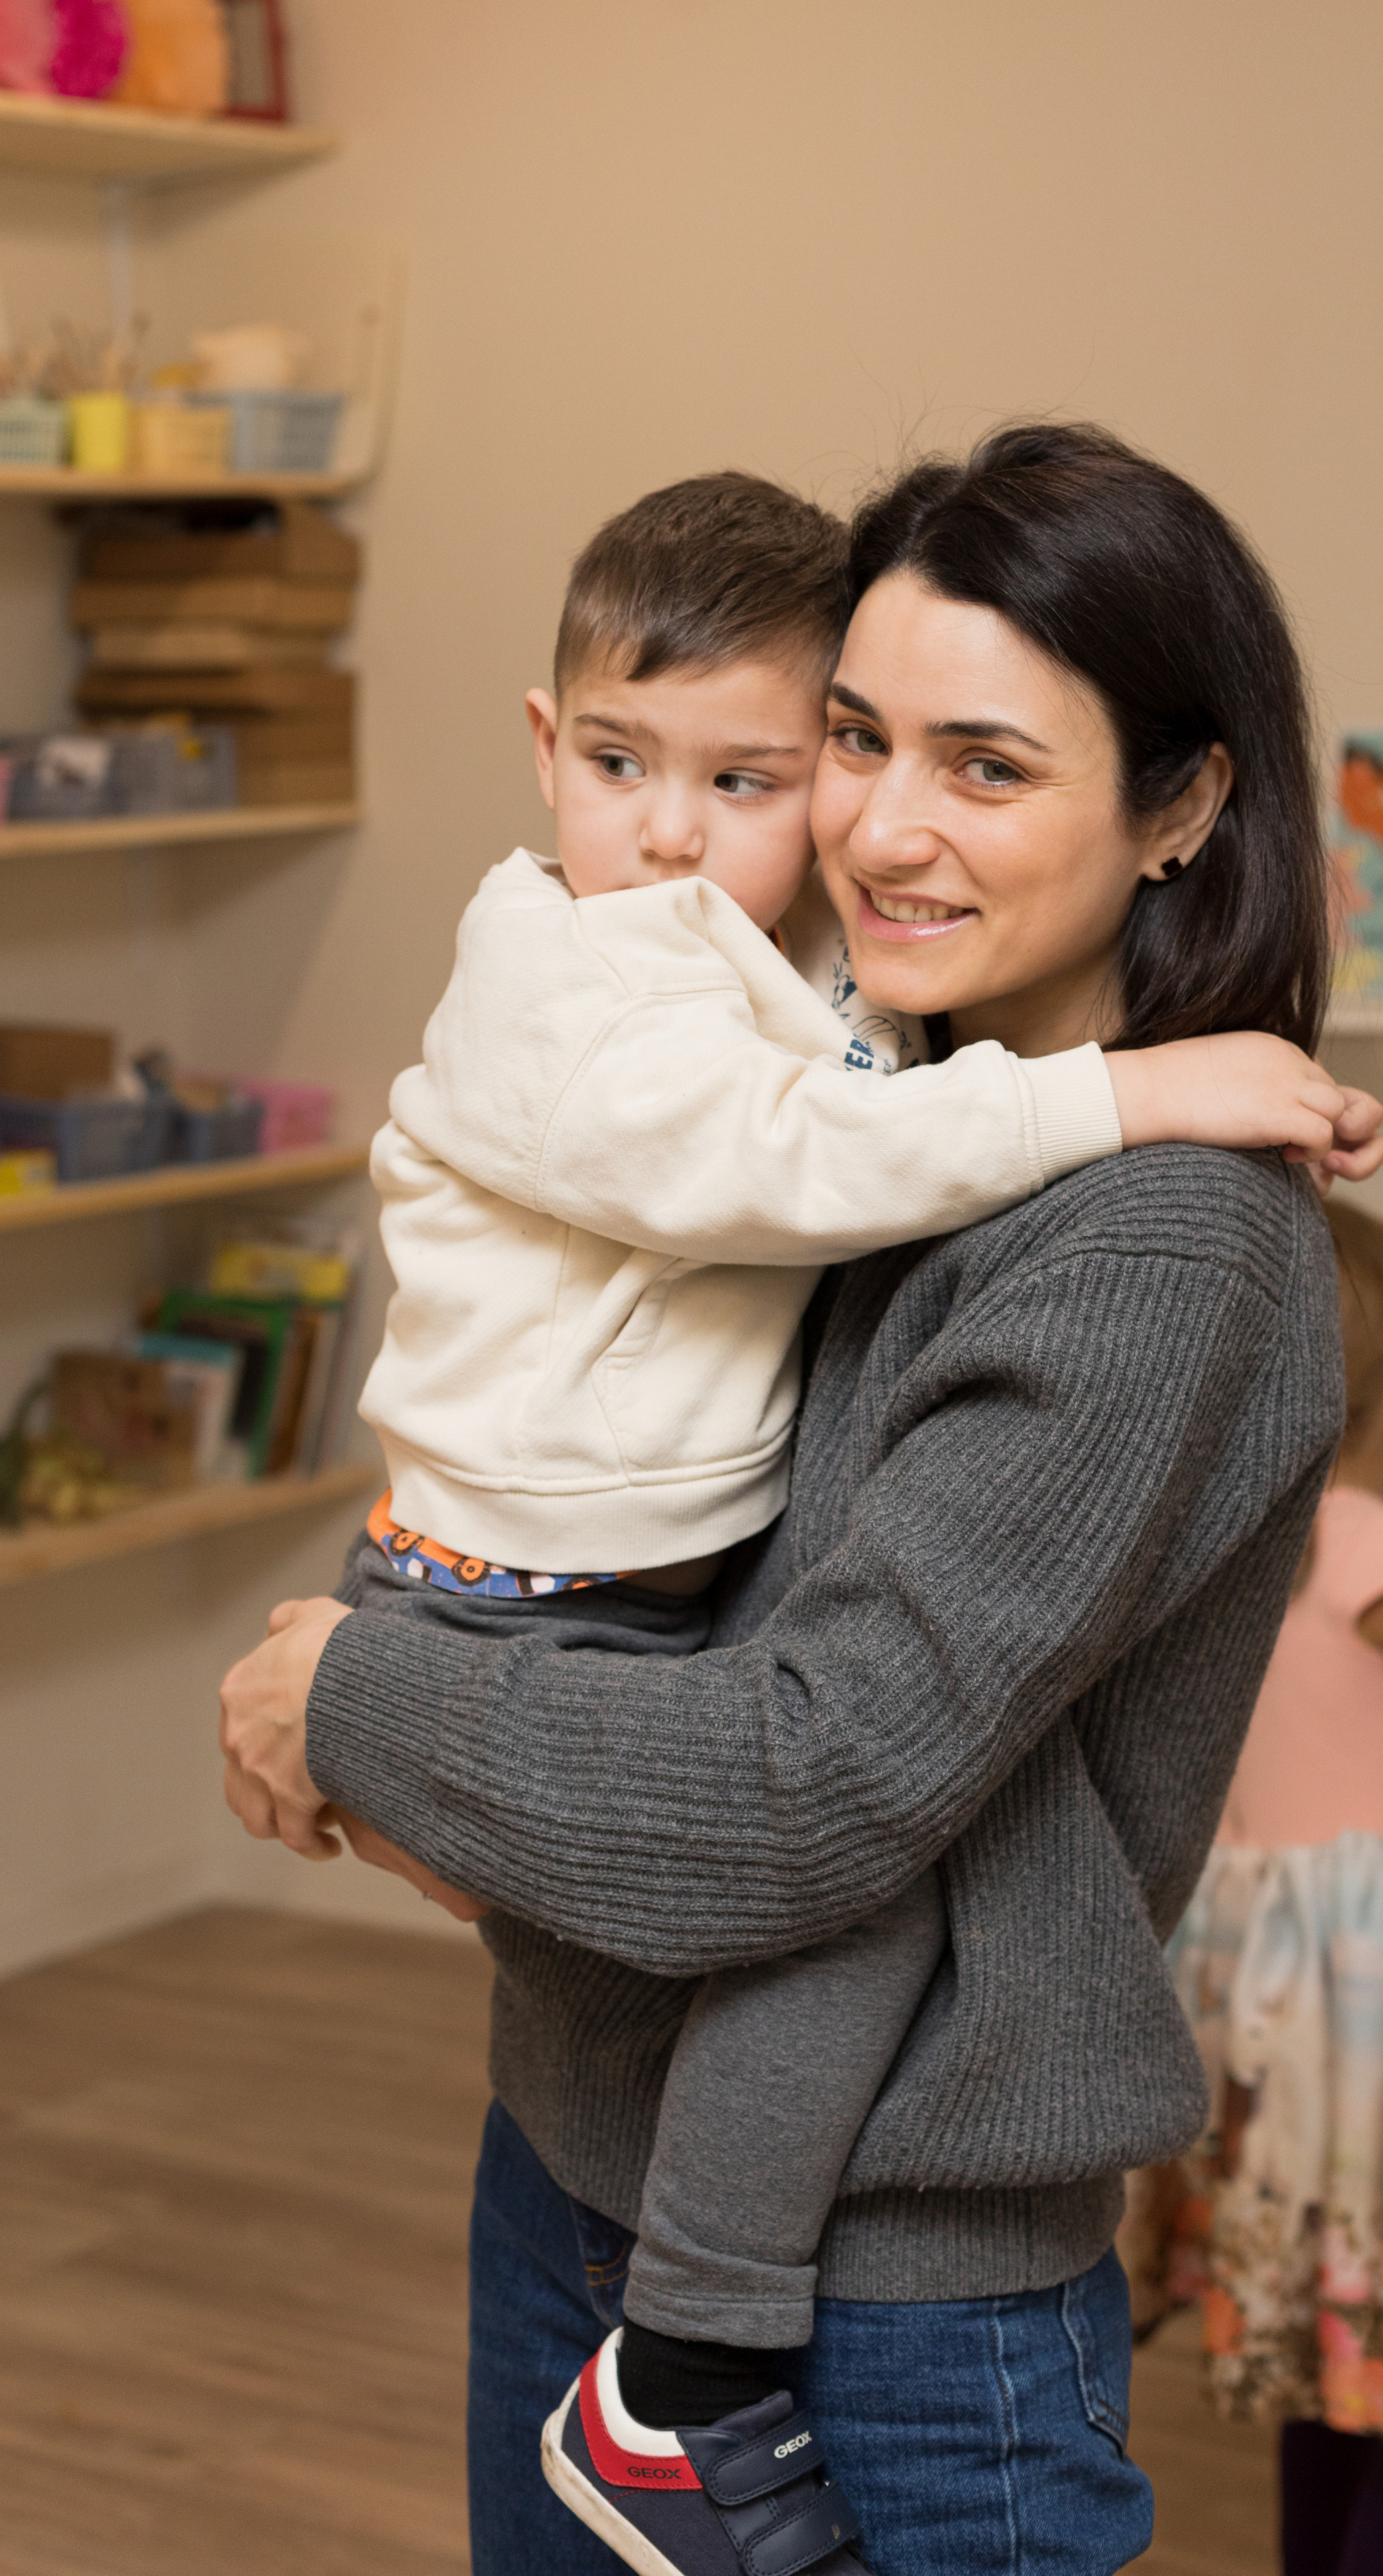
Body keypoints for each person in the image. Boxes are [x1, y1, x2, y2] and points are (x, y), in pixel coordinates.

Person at [221, 421, 1380, 2576]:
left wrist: (353, 1699)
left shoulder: (1152, 1246)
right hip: (580, 2163)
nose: (885, 828)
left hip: (890, 2309)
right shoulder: (860, 1106)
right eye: (853, 739)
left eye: (990, 766)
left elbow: (809, 1778)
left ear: (1187, 806)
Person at [1149, 1195, 1383, 2576]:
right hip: (1362, 2023)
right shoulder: (1364, 1554)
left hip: (1254, 2014)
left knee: (1322, 2362)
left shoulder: (1235, 1546)